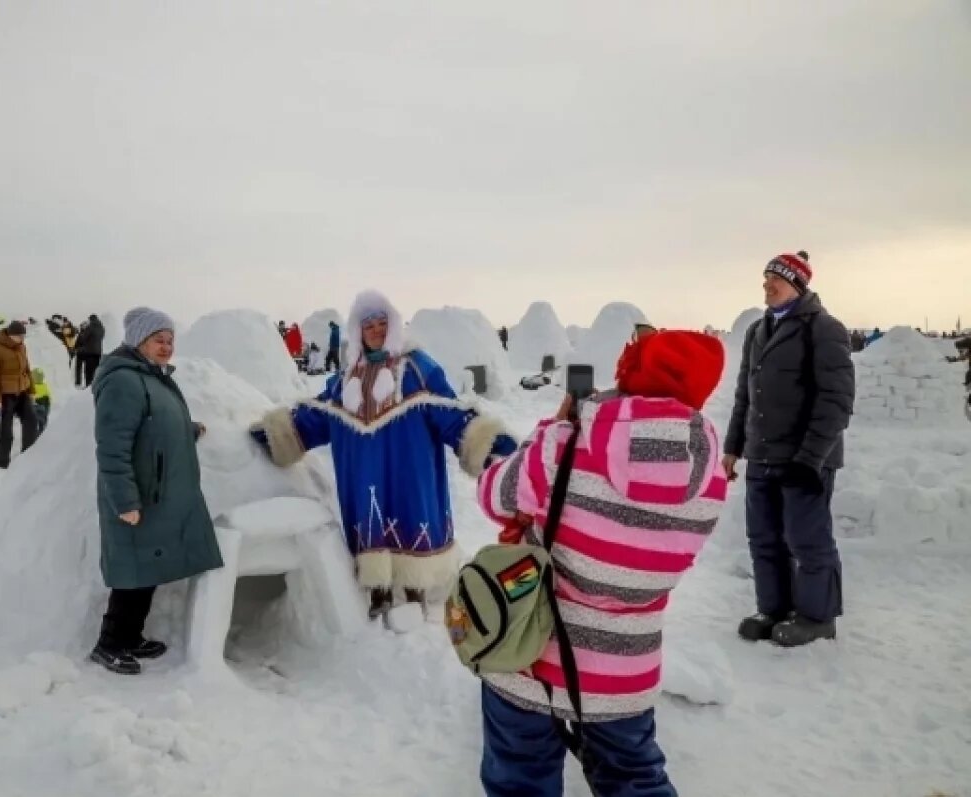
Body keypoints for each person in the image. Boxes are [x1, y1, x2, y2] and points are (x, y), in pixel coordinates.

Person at [476, 330, 729, 797]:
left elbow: (494, 496)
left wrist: (548, 433)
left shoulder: (568, 441)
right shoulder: (710, 470)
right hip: (626, 671)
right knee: (634, 780)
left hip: (530, 656)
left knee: (521, 779)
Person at [250, 289, 516, 621]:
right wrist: (277, 434)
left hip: (410, 466)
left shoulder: (417, 368)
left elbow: (449, 412)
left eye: (381, 323)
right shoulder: (346, 378)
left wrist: (486, 441)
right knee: (370, 520)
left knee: (411, 514)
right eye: (368, 325)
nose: (375, 330)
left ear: (392, 326)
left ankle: (416, 589)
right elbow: (316, 416)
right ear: (357, 331)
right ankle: (379, 590)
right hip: (363, 472)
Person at [723, 251, 855, 647]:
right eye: (764, 280)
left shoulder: (824, 329)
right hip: (762, 454)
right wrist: (733, 448)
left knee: (806, 538)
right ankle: (774, 608)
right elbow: (744, 396)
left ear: (796, 284)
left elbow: (836, 400)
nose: (766, 287)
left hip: (804, 459)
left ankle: (817, 616)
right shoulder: (756, 331)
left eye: (773, 280)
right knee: (763, 536)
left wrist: (811, 458)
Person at [90, 307, 222, 674]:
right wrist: (125, 500)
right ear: (138, 341)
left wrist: (187, 429)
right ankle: (109, 644)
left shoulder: (151, 376)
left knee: (146, 570)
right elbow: (112, 447)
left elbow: (154, 421)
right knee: (131, 573)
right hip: (137, 496)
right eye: (157, 340)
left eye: (169, 340)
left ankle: (131, 638)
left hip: (156, 494)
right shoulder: (122, 381)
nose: (166, 347)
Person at [0, 320, 38, 469]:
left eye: (23, 336)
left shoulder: (21, 348)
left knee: (31, 421)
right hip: (5, 395)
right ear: (10, 335)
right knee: (5, 432)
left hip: (22, 391)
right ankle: (1, 462)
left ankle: (29, 458)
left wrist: (31, 390)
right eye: (19, 336)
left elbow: (27, 370)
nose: (22, 339)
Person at [32, 367, 52, 436]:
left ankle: (35, 435)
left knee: (34, 423)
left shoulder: (32, 387)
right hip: (44, 408)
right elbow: (49, 398)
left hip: (36, 408)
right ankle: (42, 435)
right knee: (42, 423)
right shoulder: (45, 386)